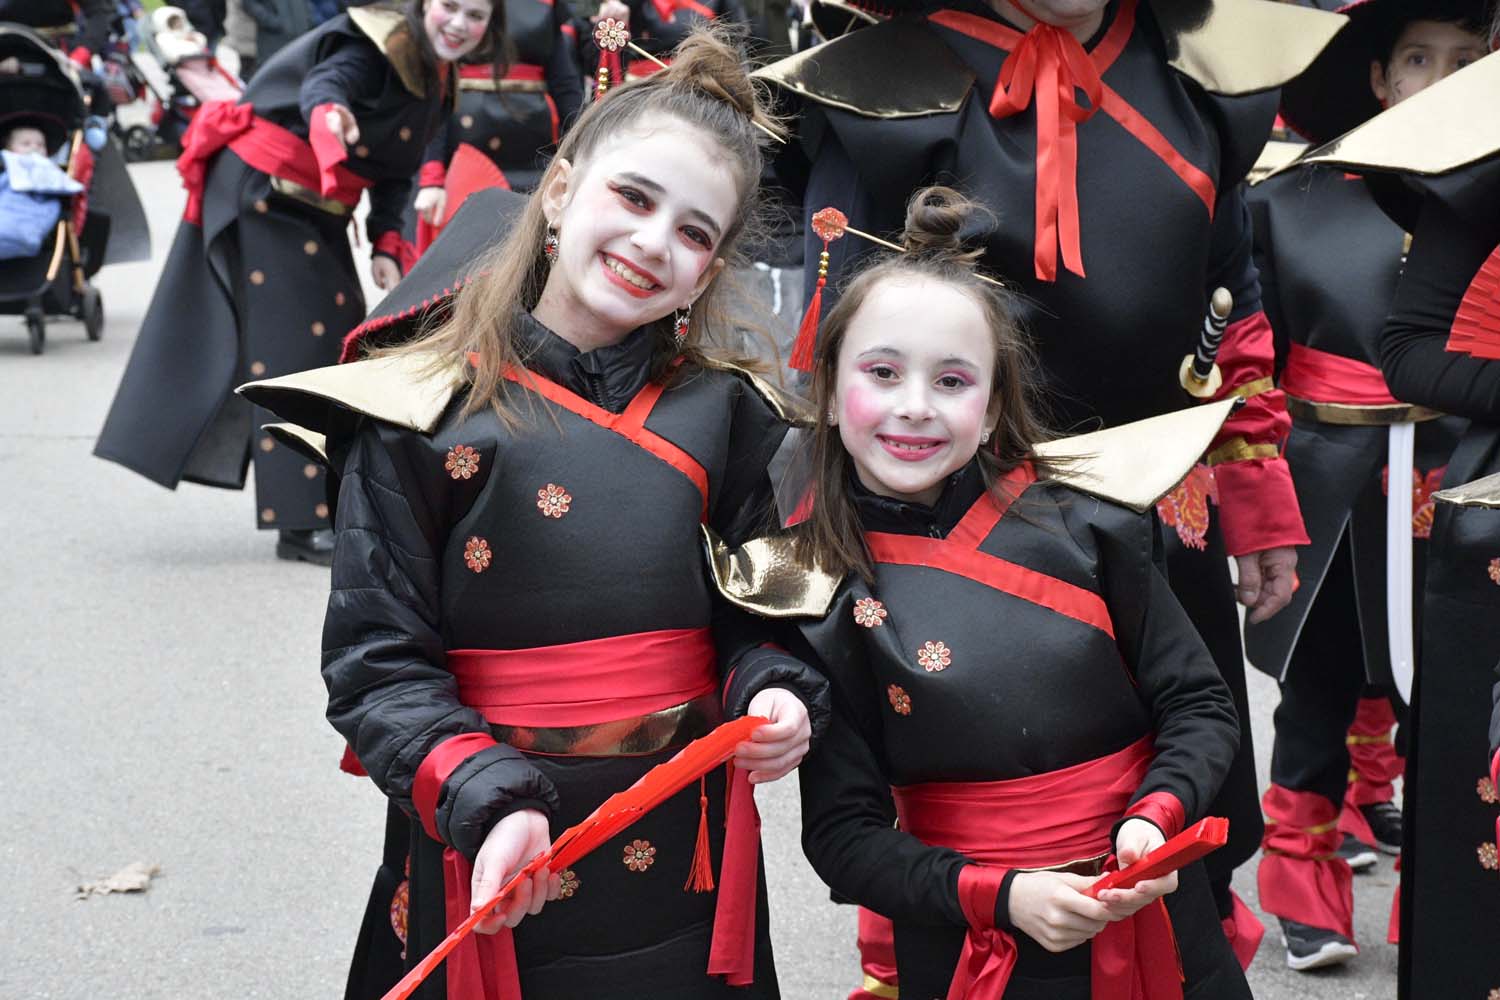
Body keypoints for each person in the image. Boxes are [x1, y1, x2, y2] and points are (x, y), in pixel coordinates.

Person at [240, 27, 829, 1000]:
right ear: (559, 190)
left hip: (686, 848)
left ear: (713, 266)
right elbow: (375, 666)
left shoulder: (731, 415)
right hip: (490, 845)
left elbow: (766, 617)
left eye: (694, 231)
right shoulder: (419, 408)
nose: (652, 242)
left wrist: (776, 693)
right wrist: (482, 794)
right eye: (633, 197)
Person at [757, 1, 1340, 982]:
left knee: (1194, 818)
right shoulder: (892, 79)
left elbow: (1230, 301)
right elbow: (849, 347)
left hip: (1160, 508)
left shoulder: (1200, 73)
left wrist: (1259, 501)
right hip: (942, 530)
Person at [733, 186, 1248, 998]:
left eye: (952, 380)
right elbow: (843, 837)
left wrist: (1157, 815)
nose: (915, 406)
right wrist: (998, 894)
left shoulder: (1092, 525)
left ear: (995, 400)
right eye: (881, 371)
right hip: (972, 942)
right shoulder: (817, 589)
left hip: (1155, 917)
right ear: (829, 391)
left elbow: (1202, 704)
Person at [1241, 0, 1488, 972]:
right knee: (1319, 682)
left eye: (1469, 57)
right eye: (1419, 58)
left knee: (1449, 688)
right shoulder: (1288, 194)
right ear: (1381, 79)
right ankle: (1301, 881)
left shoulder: (1491, 193)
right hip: (1326, 470)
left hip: (1457, 468)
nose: (1442, 75)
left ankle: (1438, 892)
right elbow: (1253, 351)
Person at [94, 0, 505, 565]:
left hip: (317, 204)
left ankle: (324, 504)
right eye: (449, 7)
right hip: (266, 191)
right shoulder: (372, 40)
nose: (459, 24)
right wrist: (330, 113)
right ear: (422, 7)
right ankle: (300, 521)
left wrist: (387, 242)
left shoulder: (438, 77)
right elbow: (328, 84)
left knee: (336, 339)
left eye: (476, 15)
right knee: (297, 346)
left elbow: (394, 173)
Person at [413, 0, 585, 243]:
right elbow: (435, 88)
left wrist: (583, 151)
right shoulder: (458, 13)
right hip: (465, 151)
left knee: (525, 246)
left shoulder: (547, 5)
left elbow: (565, 86)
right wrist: (432, 175)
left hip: (533, 153)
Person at [0, 120, 84, 261]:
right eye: (26, 144)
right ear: (8, 150)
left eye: (40, 145)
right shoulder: (8, 169)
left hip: (28, 225)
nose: (34, 148)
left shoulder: (49, 170)